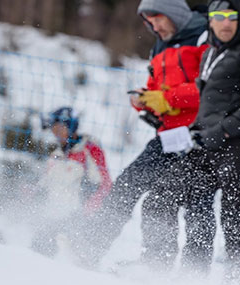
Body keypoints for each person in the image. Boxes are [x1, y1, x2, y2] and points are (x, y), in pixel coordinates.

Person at [139, 0, 240, 279]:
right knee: (161, 197)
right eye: (219, 16)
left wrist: (223, 130)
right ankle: (160, 269)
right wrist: (195, 129)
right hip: (209, 145)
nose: (225, 22)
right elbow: (210, 104)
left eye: (231, 16)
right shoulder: (211, 53)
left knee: (237, 220)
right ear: (210, 20)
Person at [72, 0, 214, 270]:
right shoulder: (159, 46)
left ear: (175, 14)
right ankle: (91, 250)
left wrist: (167, 98)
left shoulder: (204, 38)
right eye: (149, 21)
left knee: (195, 205)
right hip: (167, 136)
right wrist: (145, 99)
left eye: (158, 18)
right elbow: (155, 86)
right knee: (128, 184)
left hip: (200, 136)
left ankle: (192, 276)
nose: (154, 26)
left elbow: (211, 88)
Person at [31, 107, 111, 256]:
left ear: (72, 127)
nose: (57, 133)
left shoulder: (89, 150)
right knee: (39, 246)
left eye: (61, 128)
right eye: (54, 129)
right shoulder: (56, 155)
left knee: (76, 254)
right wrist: (32, 192)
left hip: (81, 218)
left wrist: (87, 211)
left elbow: (105, 185)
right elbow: (44, 184)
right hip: (55, 215)